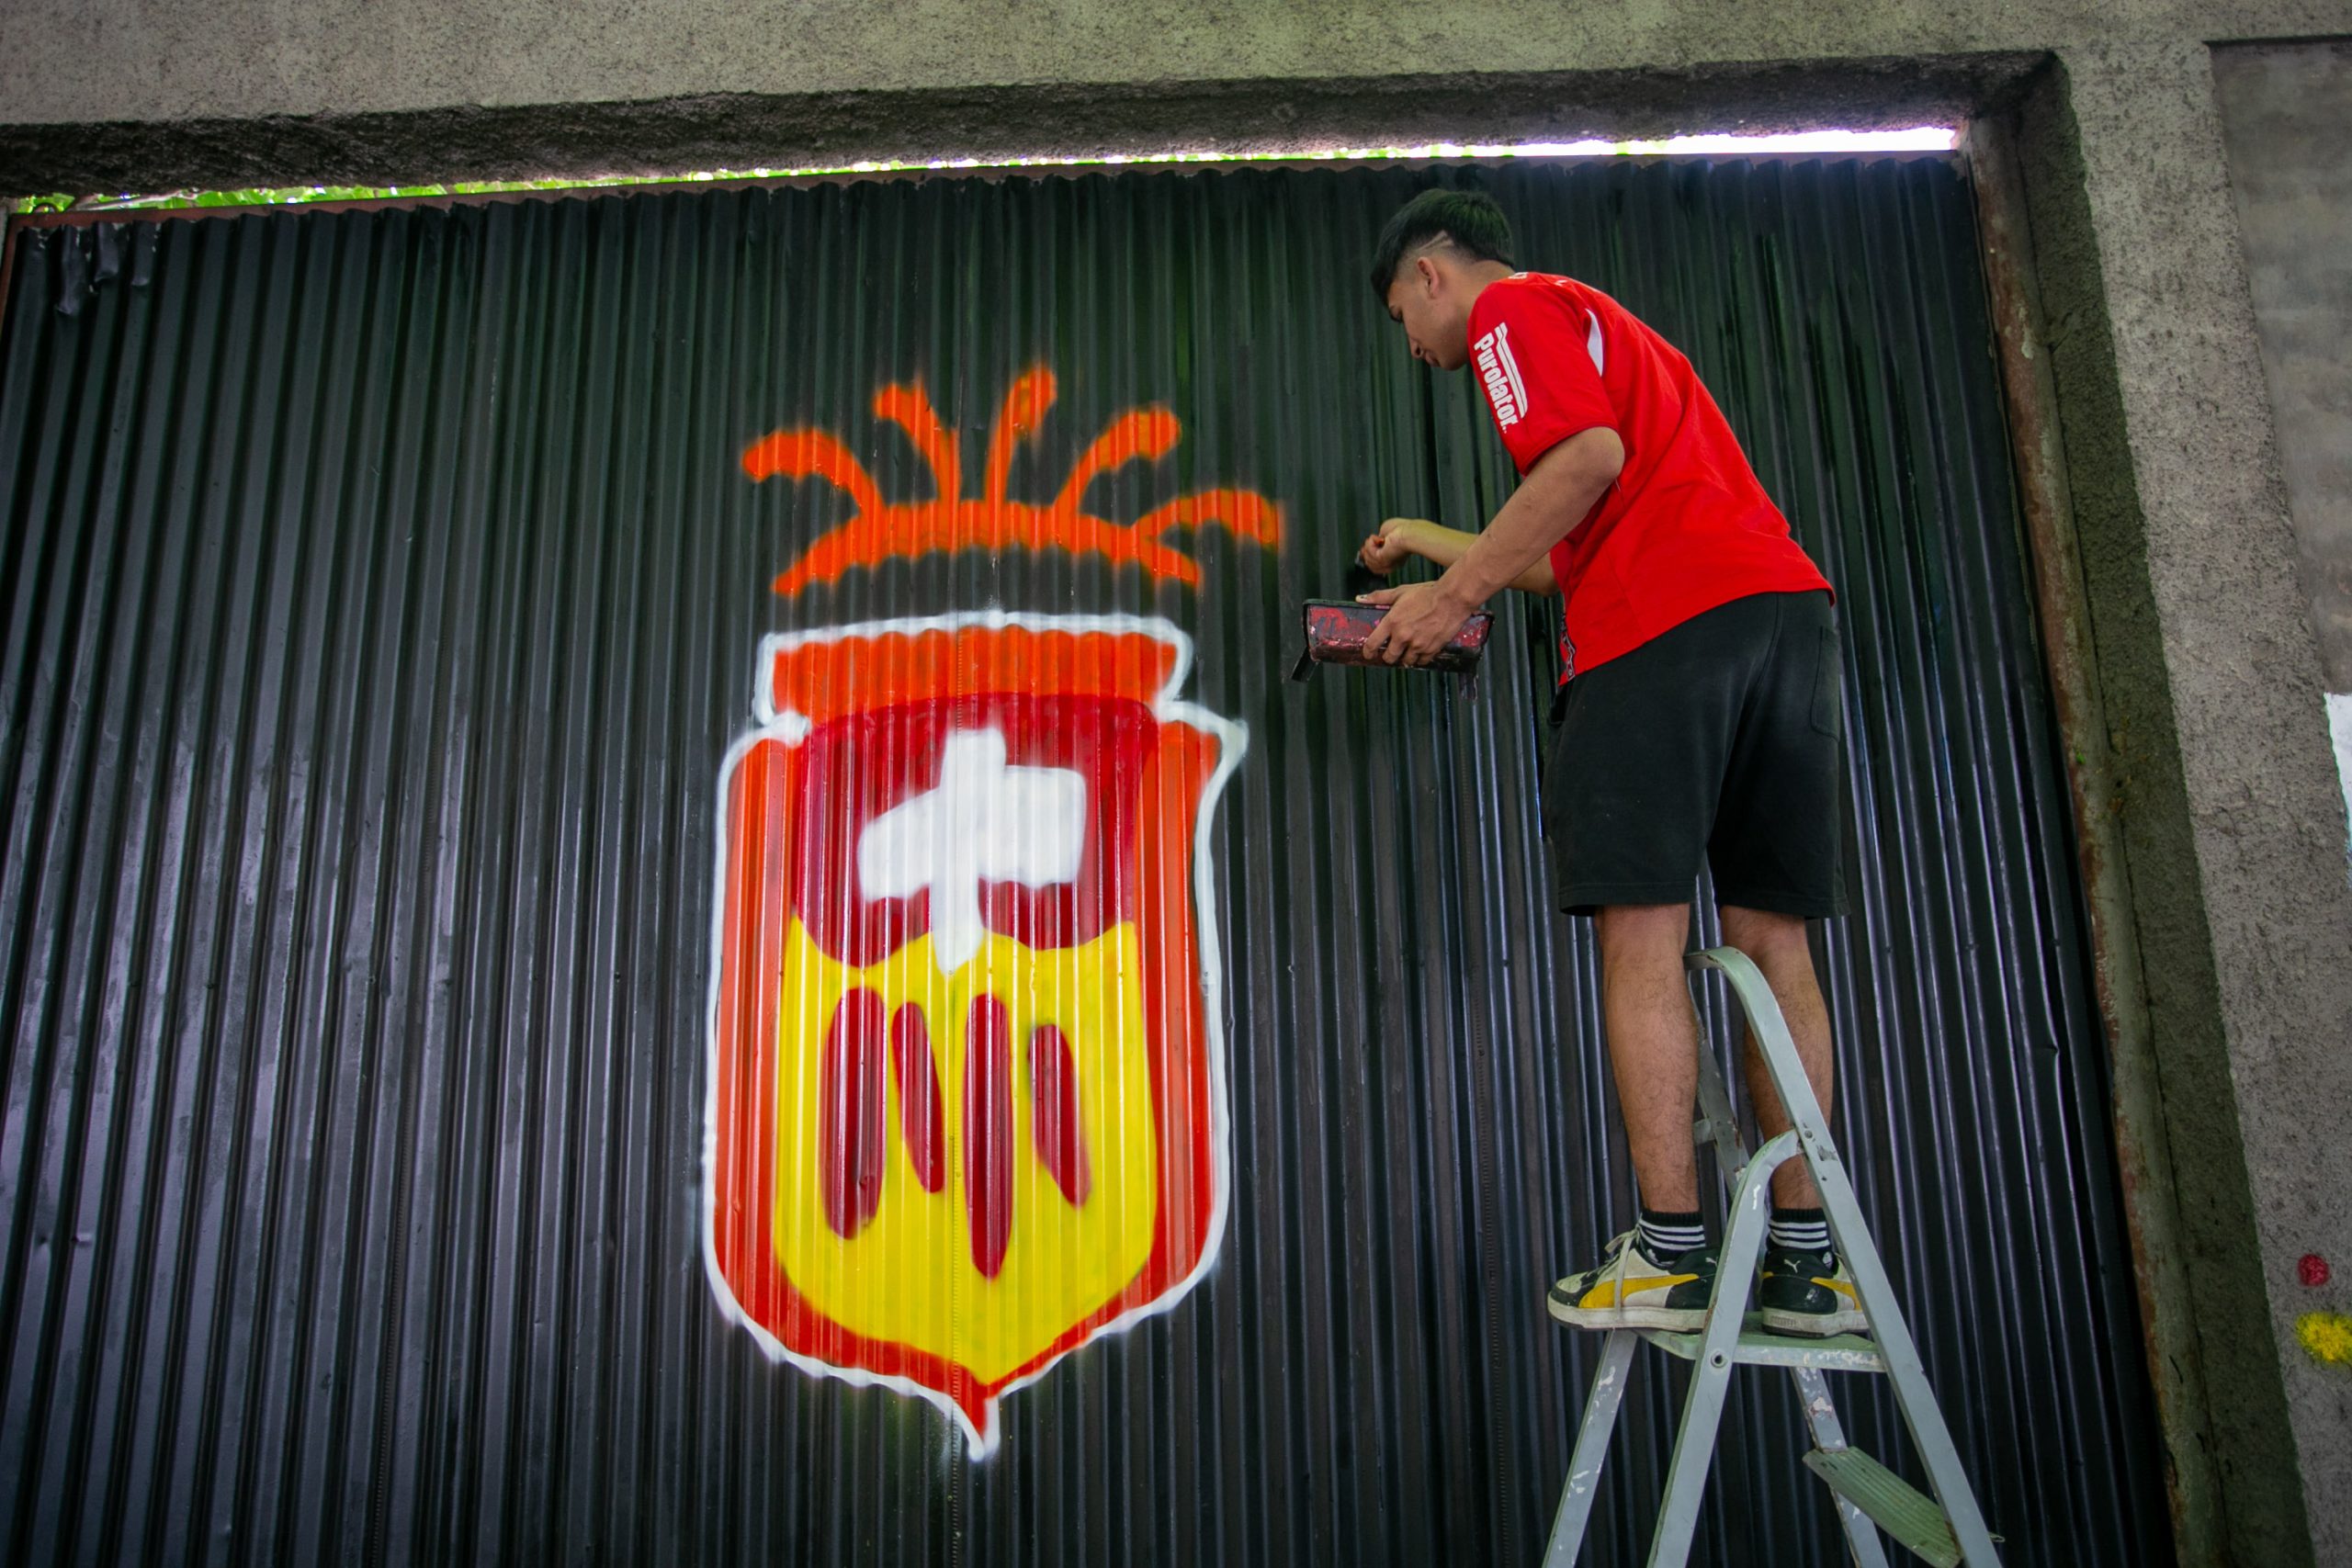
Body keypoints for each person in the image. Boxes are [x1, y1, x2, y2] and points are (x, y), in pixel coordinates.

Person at [1358, 186, 1862, 1337]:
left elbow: (1583, 457)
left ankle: (1670, 1254)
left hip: (1661, 631)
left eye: (1400, 317)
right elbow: (1564, 543)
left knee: (1641, 935)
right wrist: (1434, 559)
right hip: (1781, 614)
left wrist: (1452, 598)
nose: (1414, 346)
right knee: (1772, 939)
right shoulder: (1610, 330)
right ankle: (1807, 1261)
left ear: (1432, 274)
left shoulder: (1508, 312)